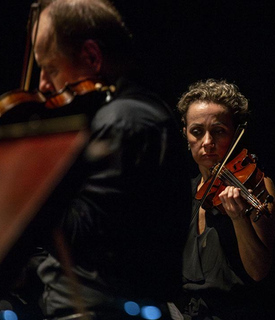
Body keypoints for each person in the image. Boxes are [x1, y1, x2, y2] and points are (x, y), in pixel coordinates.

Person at [3, 0, 191, 319]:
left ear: (92, 57)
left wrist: (16, 191)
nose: (43, 86)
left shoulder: (125, 121)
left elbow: (86, 231)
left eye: (50, 69)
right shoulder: (111, 117)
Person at [175, 79, 275, 319]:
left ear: (235, 134)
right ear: (185, 134)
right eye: (197, 132)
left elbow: (259, 271)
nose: (207, 142)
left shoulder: (257, 184)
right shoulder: (185, 191)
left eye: (219, 131)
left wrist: (239, 217)